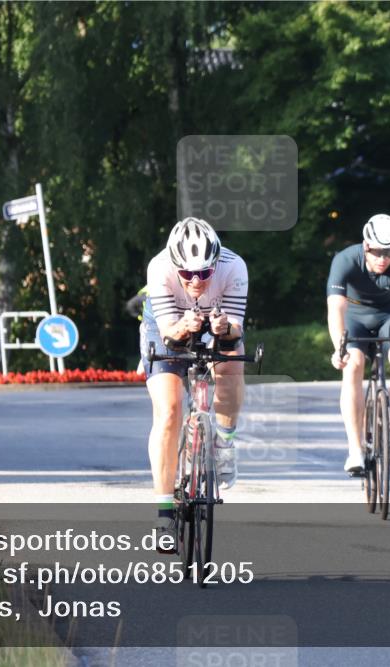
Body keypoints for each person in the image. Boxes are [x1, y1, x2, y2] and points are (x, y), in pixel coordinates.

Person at [140, 217, 248, 551]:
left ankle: (225, 443)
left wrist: (222, 328)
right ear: (176, 265)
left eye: (205, 272)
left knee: (230, 370)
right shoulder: (159, 268)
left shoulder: (234, 267)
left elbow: (236, 331)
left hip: (216, 321)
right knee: (170, 411)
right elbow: (170, 334)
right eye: (188, 274)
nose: (197, 280)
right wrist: (183, 326)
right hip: (169, 324)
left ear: (216, 262)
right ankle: (164, 513)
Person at [326, 213, 390, 474]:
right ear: (366, 246)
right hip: (354, 317)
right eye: (377, 252)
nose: (384, 259)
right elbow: (335, 309)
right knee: (353, 365)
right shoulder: (346, 260)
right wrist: (339, 347)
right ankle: (355, 449)